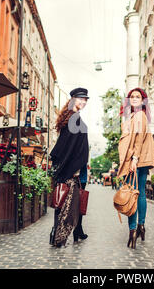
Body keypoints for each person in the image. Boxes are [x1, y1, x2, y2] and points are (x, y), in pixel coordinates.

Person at [49, 87, 90, 247]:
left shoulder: (70, 117)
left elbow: (65, 147)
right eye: (81, 98)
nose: (84, 102)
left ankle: (59, 234)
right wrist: (74, 169)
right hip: (74, 170)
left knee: (62, 202)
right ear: (72, 99)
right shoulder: (74, 119)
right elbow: (72, 148)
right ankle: (59, 236)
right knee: (69, 205)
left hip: (70, 168)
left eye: (85, 99)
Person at [117, 87, 154, 249]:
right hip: (138, 159)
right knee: (138, 193)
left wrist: (134, 158)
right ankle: (141, 226)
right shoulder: (133, 115)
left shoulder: (140, 115)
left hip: (136, 159)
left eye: (137, 96)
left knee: (132, 194)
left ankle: (133, 230)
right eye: (132, 96)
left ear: (142, 100)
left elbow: (138, 139)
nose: (134, 98)